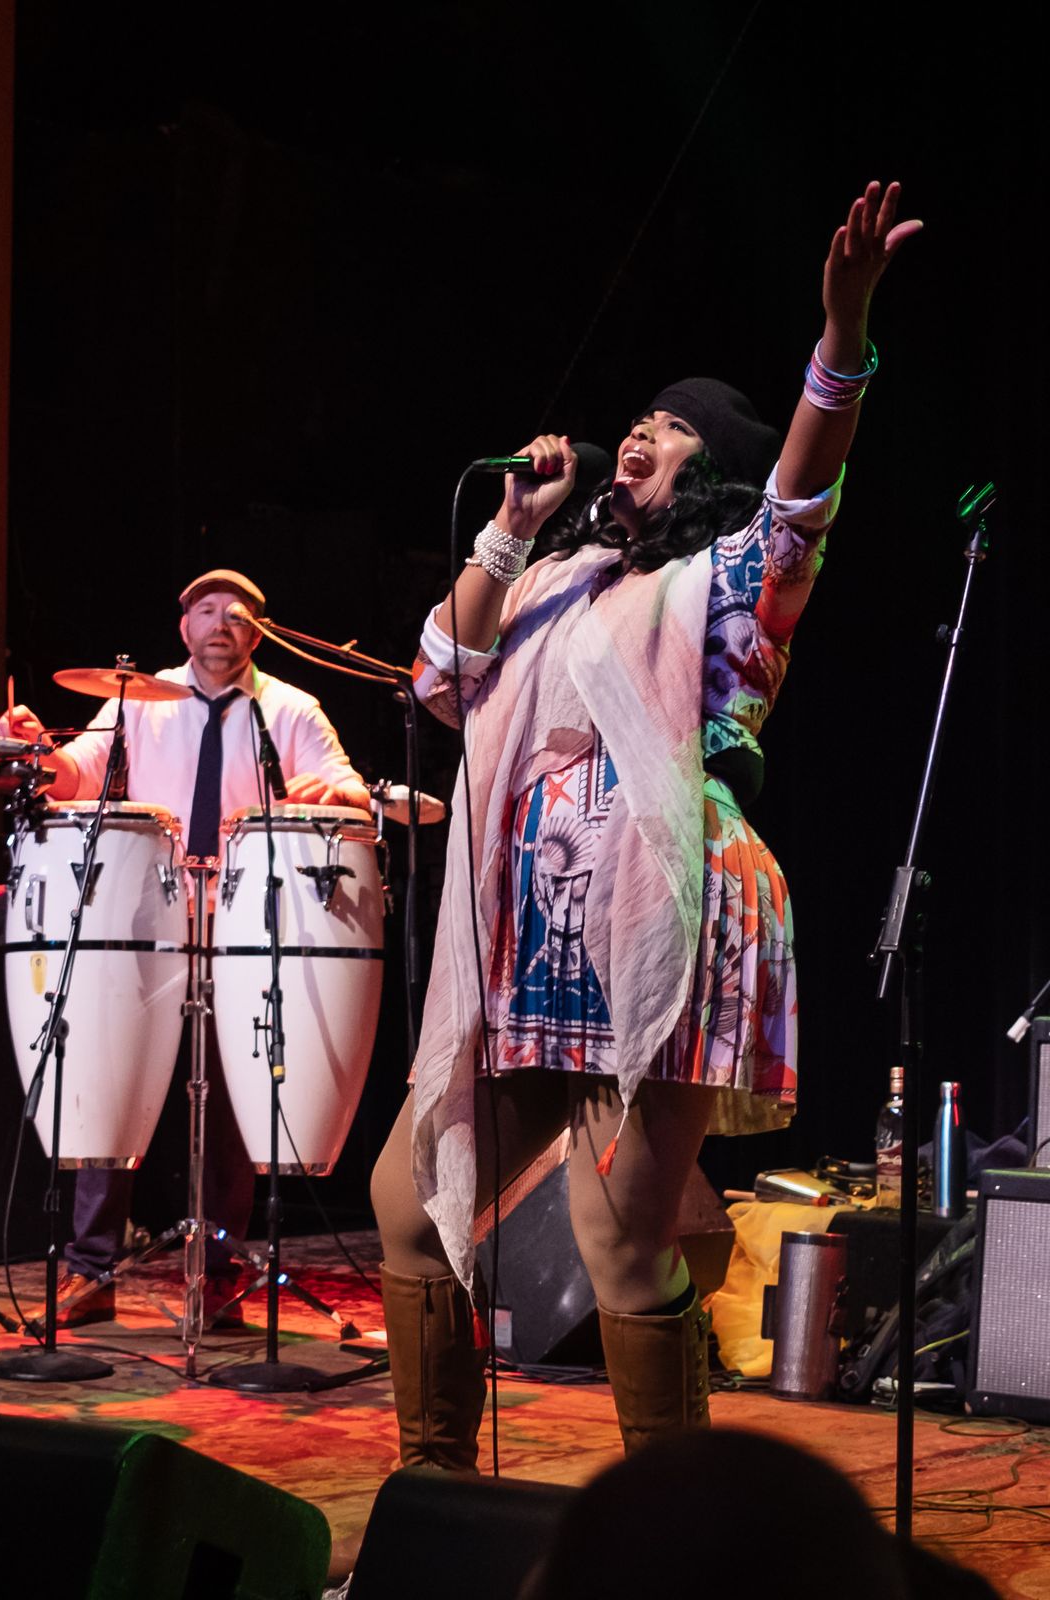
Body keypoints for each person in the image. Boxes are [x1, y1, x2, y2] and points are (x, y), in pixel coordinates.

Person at [369, 182, 920, 1465]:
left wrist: (841, 337)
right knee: (410, 1203)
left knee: (617, 1235)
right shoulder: (556, 581)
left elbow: (804, 494)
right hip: (528, 934)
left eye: (670, 431)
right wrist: (508, 531)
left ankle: (677, 1525)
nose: (638, 433)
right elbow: (441, 678)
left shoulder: (726, 585)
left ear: (706, 473)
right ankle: (429, 1492)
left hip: (663, 914)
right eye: (639, 418)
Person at [0, 568, 368, 1323]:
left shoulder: (291, 709)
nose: (220, 624)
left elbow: (349, 787)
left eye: (237, 613)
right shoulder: (138, 700)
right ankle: (91, 1271)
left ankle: (221, 1277)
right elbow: (74, 776)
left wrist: (335, 792)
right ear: (183, 627)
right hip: (145, 924)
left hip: (242, 929)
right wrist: (38, 749)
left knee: (232, 1103)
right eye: (206, 610)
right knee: (109, 1082)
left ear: (259, 631)